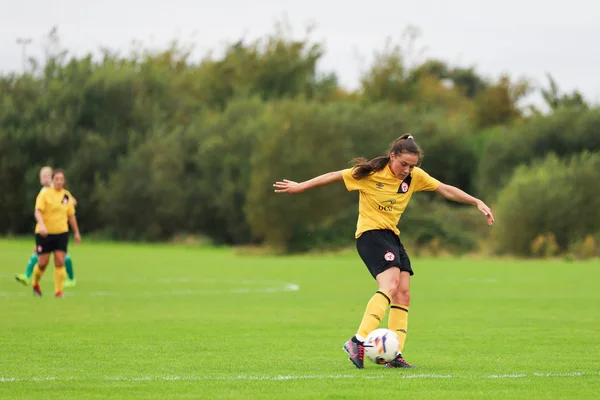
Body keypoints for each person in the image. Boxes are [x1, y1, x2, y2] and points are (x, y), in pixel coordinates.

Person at [273, 134, 494, 369]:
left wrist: (476, 201)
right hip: (370, 235)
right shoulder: (369, 174)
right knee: (389, 285)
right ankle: (358, 341)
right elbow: (333, 176)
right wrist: (301, 186)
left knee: (403, 294)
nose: (407, 170)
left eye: (412, 166)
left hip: (391, 236)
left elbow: (445, 189)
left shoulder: (414, 177)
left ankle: (394, 354)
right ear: (392, 157)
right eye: (403, 164)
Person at [15, 166, 78, 287]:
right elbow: (38, 210)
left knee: (62, 257)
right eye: (42, 176)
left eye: (46, 176)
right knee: (42, 254)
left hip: (59, 230)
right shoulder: (44, 191)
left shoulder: (60, 192)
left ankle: (70, 279)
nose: (44, 179)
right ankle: (28, 276)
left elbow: (73, 202)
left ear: (51, 178)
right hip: (45, 230)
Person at [31, 168, 81, 297]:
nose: (59, 181)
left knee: (60, 260)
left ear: (64, 181)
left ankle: (58, 291)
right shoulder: (45, 194)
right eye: (56, 179)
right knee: (43, 263)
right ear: (52, 180)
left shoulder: (66, 195)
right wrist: (41, 225)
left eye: (61, 179)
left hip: (61, 233)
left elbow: (71, 215)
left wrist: (76, 232)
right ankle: (35, 283)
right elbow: (38, 211)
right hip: (44, 233)